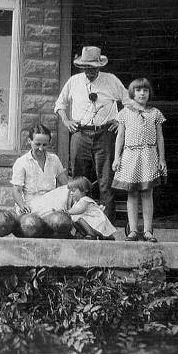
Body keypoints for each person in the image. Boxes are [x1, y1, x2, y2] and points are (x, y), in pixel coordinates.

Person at [54, 46, 133, 224]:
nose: (90, 71)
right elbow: (60, 104)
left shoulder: (111, 80)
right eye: (86, 68)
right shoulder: (74, 81)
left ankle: (106, 227)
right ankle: (77, 224)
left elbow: (129, 103)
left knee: (106, 181)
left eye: (93, 68)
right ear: (81, 67)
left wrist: (119, 121)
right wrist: (66, 121)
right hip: (80, 133)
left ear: (99, 67)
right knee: (78, 182)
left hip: (104, 135)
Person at [112, 78, 167, 242]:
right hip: (130, 155)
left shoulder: (155, 113)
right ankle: (133, 230)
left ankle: (148, 230)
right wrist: (117, 157)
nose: (142, 93)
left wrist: (162, 159)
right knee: (132, 193)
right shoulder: (124, 113)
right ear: (132, 93)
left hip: (149, 154)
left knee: (147, 192)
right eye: (138, 90)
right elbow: (120, 136)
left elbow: (160, 137)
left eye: (145, 90)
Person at [11, 124, 70, 217]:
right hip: (31, 204)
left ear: (49, 142)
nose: (41, 148)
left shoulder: (54, 159)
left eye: (44, 145)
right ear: (29, 141)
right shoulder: (21, 162)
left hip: (51, 200)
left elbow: (66, 184)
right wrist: (22, 206)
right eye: (37, 144)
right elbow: (16, 191)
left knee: (69, 191)